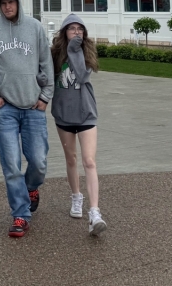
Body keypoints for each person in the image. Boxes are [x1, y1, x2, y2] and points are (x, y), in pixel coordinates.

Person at [0, 0, 53, 238]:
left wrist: (45, 96)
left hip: (33, 107)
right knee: (11, 166)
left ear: (18, 2)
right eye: (3, 3)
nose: (7, 6)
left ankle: (31, 188)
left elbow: (46, 62)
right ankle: (20, 214)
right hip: (5, 109)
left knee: (39, 162)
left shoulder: (35, 28)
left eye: (11, 2)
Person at [51, 13, 106, 236]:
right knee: (71, 159)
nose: (76, 32)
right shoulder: (55, 54)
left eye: (80, 28)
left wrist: (75, 50)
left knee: (89, 161)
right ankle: (76, 196)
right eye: (72, 28)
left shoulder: (86, 51)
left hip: (86, 113)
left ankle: (94, 213)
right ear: (64, 32)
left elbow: (82, 76)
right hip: (64, 114)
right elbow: (46, 77)